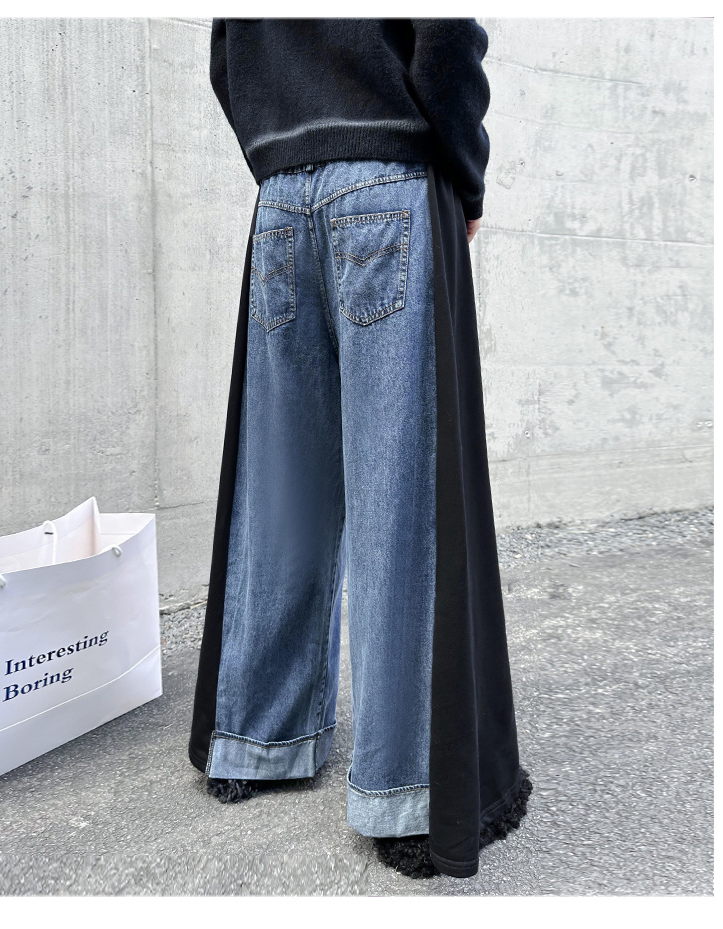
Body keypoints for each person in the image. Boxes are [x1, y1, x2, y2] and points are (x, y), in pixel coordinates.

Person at [189, 18, 531, 880]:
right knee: (398, 498)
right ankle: (404, 794)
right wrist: (468, 177)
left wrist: (284, 150)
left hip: (280, 202)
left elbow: (228, 56)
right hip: (387, 180)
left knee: (283, 491)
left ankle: (257, 741)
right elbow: (443, 35)